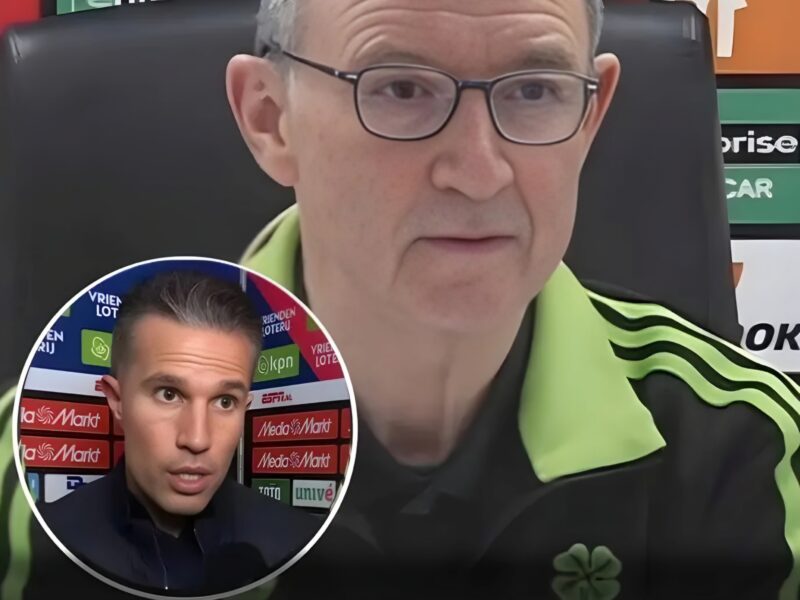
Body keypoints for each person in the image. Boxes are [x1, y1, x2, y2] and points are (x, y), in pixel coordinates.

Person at [1, 1, 799, 600]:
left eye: (534, 91)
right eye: (401, 88)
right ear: (271, 119)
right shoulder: (57, 457)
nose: (479, 172)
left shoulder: (746, 445)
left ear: (591, 117)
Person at [35, 271, 319, 596]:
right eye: (168, 394)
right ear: (117, 401)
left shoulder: (304, 548)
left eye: (225, 401)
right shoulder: (42, 548)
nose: (197, 439)